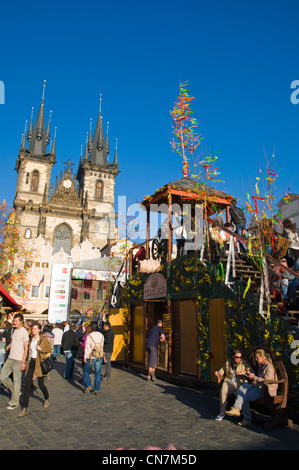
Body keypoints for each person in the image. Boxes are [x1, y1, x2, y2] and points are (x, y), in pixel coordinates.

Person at [226, 349, 278, 426]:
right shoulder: (262, 366)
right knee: (242, 387)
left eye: (257, 358)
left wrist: (254, 377)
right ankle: (236, 408)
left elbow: (267, 381)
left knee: (244, 396)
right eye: (256, 358)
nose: (256, 360)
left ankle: (247, 419)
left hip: (265, 390)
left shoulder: (269, 367)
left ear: (263, 357)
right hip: (258, 386)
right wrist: (249, 375)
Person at [18, 322, 52, 417]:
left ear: (39, 330)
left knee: (41, 385)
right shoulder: (31, 339)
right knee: (27, 385)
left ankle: (46, 398)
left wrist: (41, 349)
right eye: (32, 328)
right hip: (31, 363)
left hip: (39, 364)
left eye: (35, 329)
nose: (33, 330)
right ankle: (25, 408)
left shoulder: (43, 339)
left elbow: (49, 349)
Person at [0, 313, 29, 410]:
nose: (14, 322)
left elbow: (26, 348)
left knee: (17, 381)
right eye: (14, 321)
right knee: (2, 377)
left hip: (18, 359)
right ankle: (16, 392)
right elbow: (14, 341)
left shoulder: (24, 332)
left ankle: (15, 402)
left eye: (16, 321)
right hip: (10, 358)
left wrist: (23, 362)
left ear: (21, 321)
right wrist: (9, 346)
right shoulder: (14, 330)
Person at [214, 349, 253, 421]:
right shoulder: (228, 362)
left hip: (238, 384)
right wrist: (219, 373)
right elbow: (223, 369)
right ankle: (222, 412)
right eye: (237, 357)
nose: (239, 359)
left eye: (240, 357)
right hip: (229, 382)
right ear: (233, 357)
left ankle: (241, 413)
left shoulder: (243, 363)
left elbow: (250, 371)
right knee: (224, 387)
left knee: (241, 393)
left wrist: (242, 373)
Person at [83, 321, 104, 394]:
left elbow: (87, 347)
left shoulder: (90, 336)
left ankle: (88, 385)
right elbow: (101, 346)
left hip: (91, 356)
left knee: (86, 371)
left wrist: (85, 357)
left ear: (91, 327)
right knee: (98, 373)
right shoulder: (101, 335)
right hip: (99, 356)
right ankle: (96, 389)